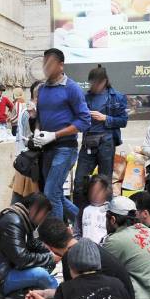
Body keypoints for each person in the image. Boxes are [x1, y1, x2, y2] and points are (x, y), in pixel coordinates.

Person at [27, 216, 134, 299]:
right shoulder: (89, 246)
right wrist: (45, 294)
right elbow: (71, 293)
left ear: (48, 246)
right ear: (69, 231)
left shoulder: (70, 258)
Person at [33, 48, 91, 220]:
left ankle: (57, 237)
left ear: (60, 65)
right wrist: (37, 129)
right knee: (54, 192)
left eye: (50, 64)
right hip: (47, 148)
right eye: (44, 64)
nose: (46, 67)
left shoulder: (72, 88)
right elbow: (40, 116)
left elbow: (84, 120)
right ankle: (83, 220)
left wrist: (55, 135)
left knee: (50, 193)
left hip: (65, 148)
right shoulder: (42, 89)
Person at [0, 193, 57, 299]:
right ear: (34, 208)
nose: (43, 218)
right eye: (44, 214)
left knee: (46, 262)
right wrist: (50, 258)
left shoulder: (22, 217)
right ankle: (60, 294)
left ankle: (25, 289)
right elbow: (22, 259)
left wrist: (49, 249)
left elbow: (30, 243)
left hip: (1, 271)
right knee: (41, 274)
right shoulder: (13, 221)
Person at [73, 65, 128, 210]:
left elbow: (123, 121)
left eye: (96, 83)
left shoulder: (117, 97)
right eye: (91, 83)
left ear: (104, 81)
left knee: (105, 181)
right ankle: (80, 216)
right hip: (88, 142)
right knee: (79, 181)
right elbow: (77, 119)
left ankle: (107, 215)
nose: (94, 86)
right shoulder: (85, 98)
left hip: (107, 142)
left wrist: (105, 118)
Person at [11, 81, 42, 203]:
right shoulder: (28, 112)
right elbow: (27, 139)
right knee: (22, 200)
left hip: (28, 162)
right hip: (28, 162)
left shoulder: (31, 110)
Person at [80, 174, 111, 244]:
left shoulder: (109, 210)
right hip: (85, 247)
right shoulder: (84, 210)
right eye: (92, 191)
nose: (95, 194)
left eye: (98, 191)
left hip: (102, 248)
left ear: (107, 192)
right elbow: (78, 230)